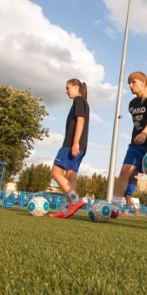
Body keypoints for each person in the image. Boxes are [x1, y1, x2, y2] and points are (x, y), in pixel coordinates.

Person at [110, 71, 147, 222]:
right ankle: (114, 208)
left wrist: (145, 133)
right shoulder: (132, 104)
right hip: (136, 145)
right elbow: (137, 123)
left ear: (143, 82)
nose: (130, 85)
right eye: (129, 83)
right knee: (124, 173)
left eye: (133, 82)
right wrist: (139, 136)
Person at [49, 79, 90, 219]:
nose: (66, 91)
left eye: (68, 88)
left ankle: (75, 200)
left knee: (55, 173)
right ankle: (67, 210)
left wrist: (75, 143)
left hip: (71, 144)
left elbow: (81, 120)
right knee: (70, 177)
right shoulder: (83, 102)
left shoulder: (78, 101)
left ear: (76, 87)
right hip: (81, 145)